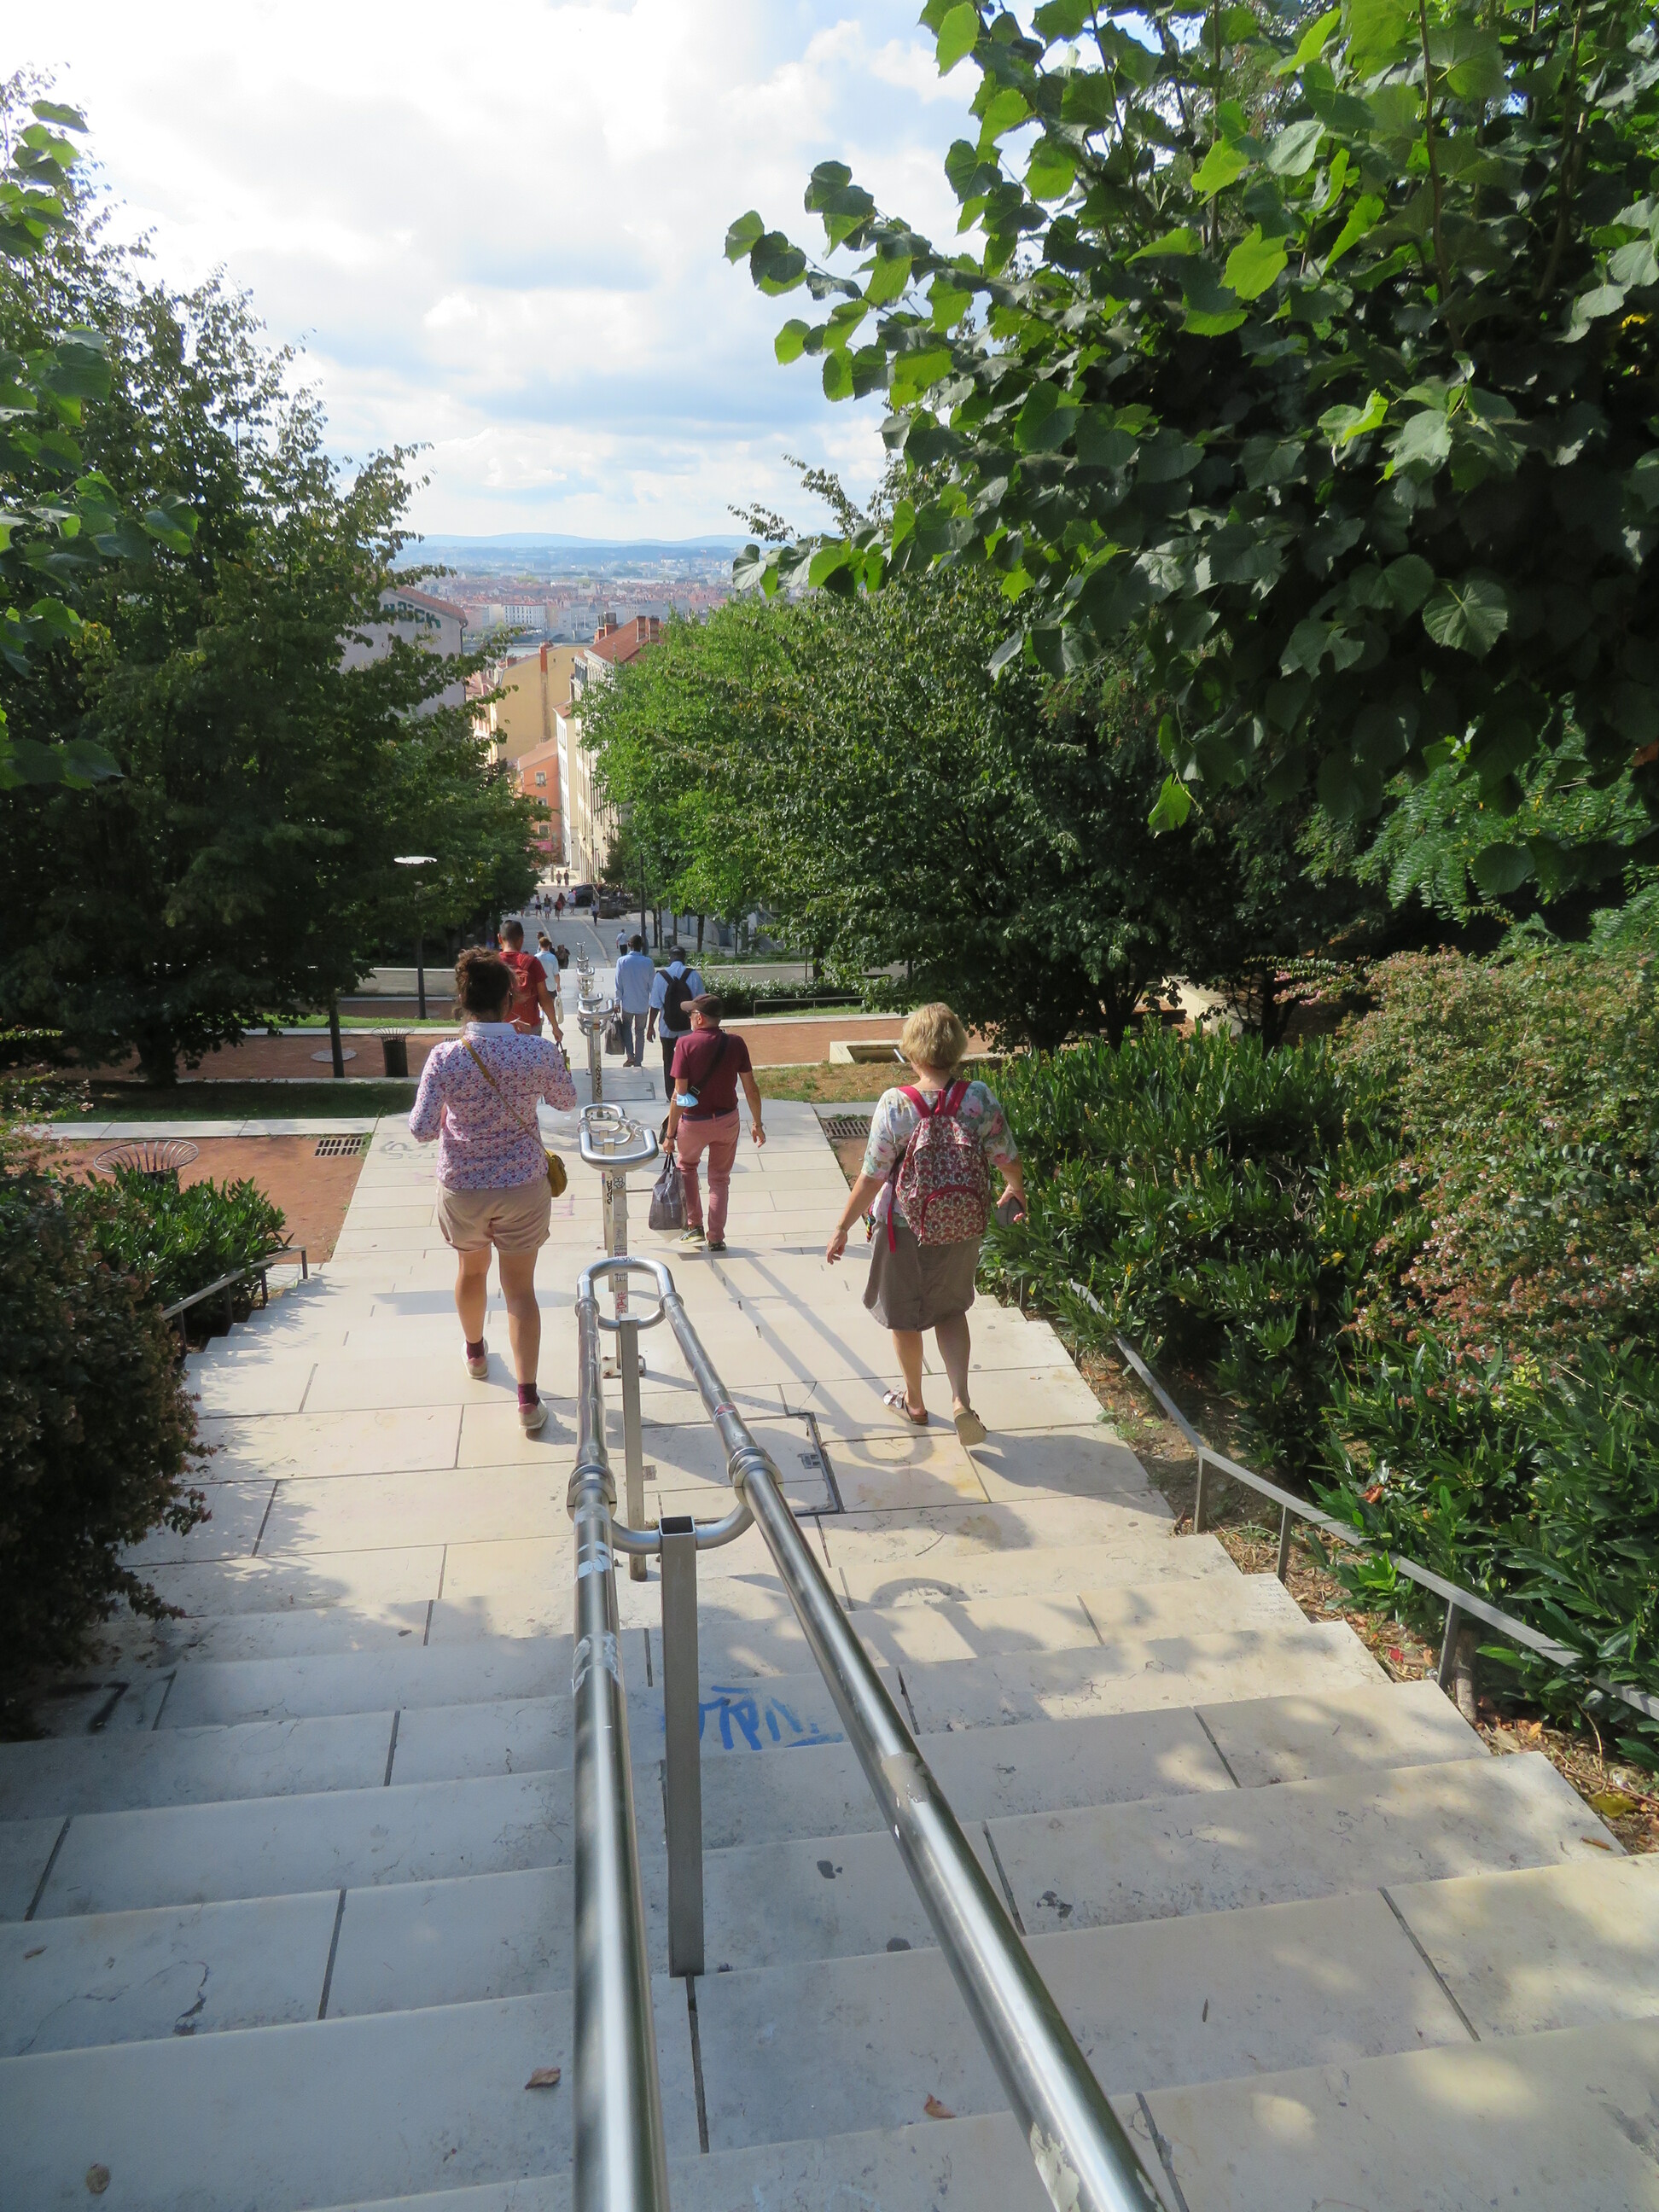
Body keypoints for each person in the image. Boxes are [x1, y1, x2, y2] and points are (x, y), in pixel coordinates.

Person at [825, 1002, 1025, 1446]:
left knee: (904, 1316)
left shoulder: (896, 1104)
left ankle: (914, 1402)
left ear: (912, 1050)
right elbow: (1007, 1157)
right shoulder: (978, 1098)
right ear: (956, 1048)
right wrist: (1016, 1188)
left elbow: (872, 1175)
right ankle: (961, 1401)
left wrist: (842, 1226)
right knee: (950, 1310)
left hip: (903, 1226)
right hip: (961, 1223)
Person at [409, 950, 578, 1433]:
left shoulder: (445, 1057)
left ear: (464, 1000)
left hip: (463, 1187)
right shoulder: (535, 1052)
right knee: (520, 1289)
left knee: (471, 1268)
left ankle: (476, 1355)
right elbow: (567, 1101)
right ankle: (527, 1399)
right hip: (523, 1185)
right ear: (510, 999)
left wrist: (451, 1114)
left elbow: (421, 1129)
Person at [664, 994, 764, 1251]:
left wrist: (670, 1134)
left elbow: (680, 1095)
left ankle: (694, 1226)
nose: (689, 1018)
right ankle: (717, 1237)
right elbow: (751, 1088)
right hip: (727, 1121)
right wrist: (757, 1123)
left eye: (691, 1014)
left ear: (699, 1018)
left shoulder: (684, 1045)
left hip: (693, 1122)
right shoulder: (736, 1043)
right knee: (720, 1179)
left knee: (687, 1168)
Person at [647, 947, 704, 1090]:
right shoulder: (693, 975)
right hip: (688, 1028)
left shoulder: (660, 976)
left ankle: (671, 1093)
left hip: (666, 1027)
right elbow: (702, 1002)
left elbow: (655, 1005)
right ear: (684, 958)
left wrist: (650, 1027)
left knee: (668, 1060)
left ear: (670, 958)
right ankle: (687, 1090)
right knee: (688, 1060)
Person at [498, 919, 561, 1041]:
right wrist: (555, 1027)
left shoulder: (492, 964)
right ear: (522, 939)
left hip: (500, 1028)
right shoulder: (532, 963)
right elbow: (544, 998)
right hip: (530, 1028)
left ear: (499, 938)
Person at [613, 933, 655, 1066]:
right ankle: (638, 1060)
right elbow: (652, 986)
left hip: (627, 1003)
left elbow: (618, 984)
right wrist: (653, 1002)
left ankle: (630, 1055)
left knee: (626, 1028)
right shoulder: (648, 962)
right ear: (642, 946)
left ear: (629, 945)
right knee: (640, 1032)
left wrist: (617, 1002)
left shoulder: (622, 961)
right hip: (643, 1004)